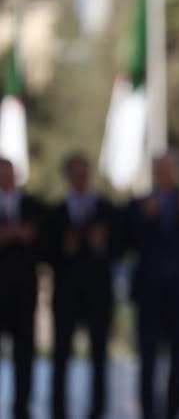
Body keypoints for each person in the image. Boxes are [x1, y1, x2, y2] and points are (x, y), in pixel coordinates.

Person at [128, 152, 179, 419]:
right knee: (147, 358)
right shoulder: (139, 205)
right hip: (149, 293)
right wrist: (146, 218)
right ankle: (148, 410)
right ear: (154, 173)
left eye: (168, 169)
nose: (164, 174)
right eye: (159, 169)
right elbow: (129, 242)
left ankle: (174, 411)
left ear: (175, 172)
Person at [49, 153, 122, 419]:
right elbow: (45, 252)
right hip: (66, 295)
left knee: (99, 356)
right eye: (75, 175)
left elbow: (121, 247)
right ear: (68, 178)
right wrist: (65, 249)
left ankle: (97, 410)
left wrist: (101, 245)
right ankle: (59, 410)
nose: (80, 180)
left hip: (98, 295)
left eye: (84, 175)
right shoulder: (55, 213)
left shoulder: (107, 210)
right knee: (61, 356)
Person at [0, 157, 45, 419]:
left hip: (24, 292)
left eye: (8, 173)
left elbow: (45, 243)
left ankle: (22, 406)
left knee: (25, 351)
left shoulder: (33, 206)